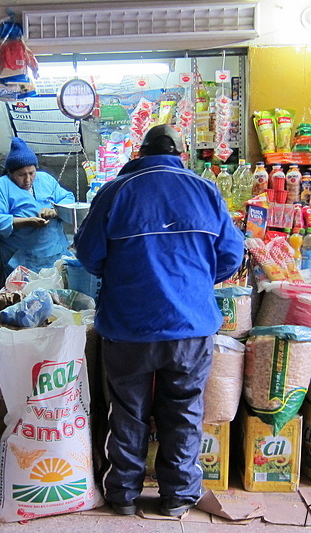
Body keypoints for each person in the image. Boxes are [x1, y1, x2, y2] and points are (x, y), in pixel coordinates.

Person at [74, 125, 244, 518]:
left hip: (128, 327)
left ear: (141, 152)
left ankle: (123, 497)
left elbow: (88, 254)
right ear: (181, 153)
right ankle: (178, 497)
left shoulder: (115, 192)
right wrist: (195, 282)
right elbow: (232, 256)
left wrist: (124, 275)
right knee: (184, 412)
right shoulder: (205, 191)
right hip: (190, 326)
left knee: (127, 413)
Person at [0, 137, 74, 288]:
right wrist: (26, 222)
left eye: (31, 173)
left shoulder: (45, 179)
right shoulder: (0, 187)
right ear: (10, 173)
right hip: (23, 262)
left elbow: (68, 199)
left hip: (56, 255)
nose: (28, 179)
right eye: (21, 174)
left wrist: (55, 211)